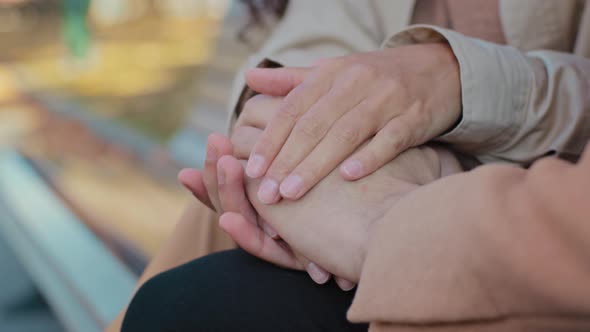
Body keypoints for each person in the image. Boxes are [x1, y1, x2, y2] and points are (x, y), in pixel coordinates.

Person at [107, 0, 590, 331]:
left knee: (199, 303)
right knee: (240, 220)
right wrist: (302, 130)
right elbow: (316, 40)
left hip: (525, 248)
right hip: (404, 202)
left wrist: (458, 82)